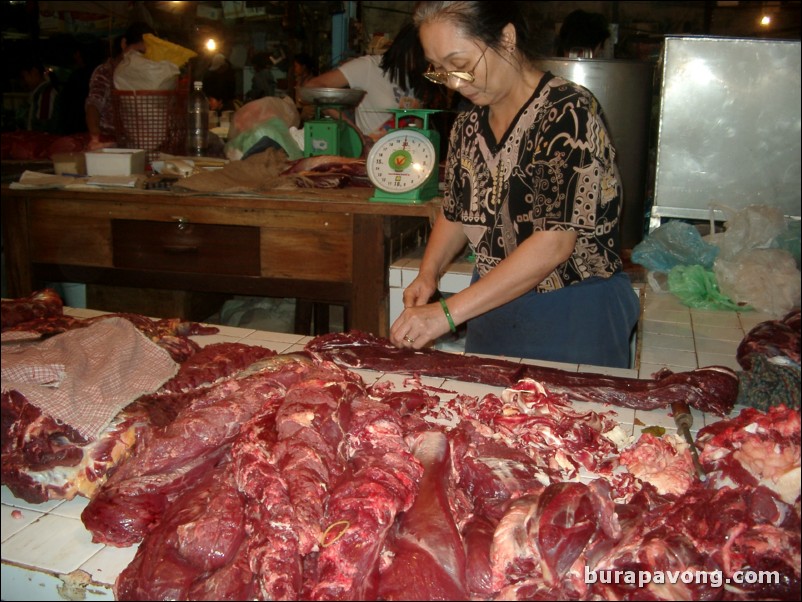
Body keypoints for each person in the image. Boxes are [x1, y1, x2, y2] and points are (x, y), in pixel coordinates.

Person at [390, 1, 640, 369]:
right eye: (441, 71)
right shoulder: (468, 124)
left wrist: (446, 314)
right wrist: (427, 275)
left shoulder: (567, 111)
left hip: (572, 313)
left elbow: (553, 243)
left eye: (461, 66)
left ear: (506, 38)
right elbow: (457, 211)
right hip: (492, 307)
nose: (455, 83)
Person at [302, 22, 429, 144]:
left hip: (408, 154)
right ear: (405, 48)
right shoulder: (368, 67)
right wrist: (351, 127)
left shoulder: (417, 76)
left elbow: (418, 122)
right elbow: (313, 86)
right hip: (373, 155)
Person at [85, 21, 154, 150]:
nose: (139, 57)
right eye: (138, 51)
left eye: (145, 54)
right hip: (109, 142)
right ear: (124, 44)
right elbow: (93, 105)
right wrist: (95, 137)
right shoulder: (105, 72)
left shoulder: (145, 75)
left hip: (136, 144)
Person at [18, 57, 58, 132]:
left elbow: (43, 128)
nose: (23, 81)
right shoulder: (40, 94)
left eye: (24, 76)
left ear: (34, 72)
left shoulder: (46, 94)